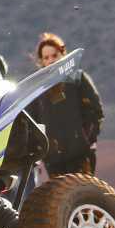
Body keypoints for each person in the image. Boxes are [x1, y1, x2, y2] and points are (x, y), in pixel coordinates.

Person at [28, 32, 104, 175]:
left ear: (63, 55)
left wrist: (87, 141)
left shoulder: (78, 79)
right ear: (42, 61)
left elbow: (96, 111)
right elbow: (32, 123)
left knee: (84, 194)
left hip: (81, 156)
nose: (51, 60)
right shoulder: (37, 90)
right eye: (46, 57)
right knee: (60, 196)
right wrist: (41, 151)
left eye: (54, 55)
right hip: (53, 160)